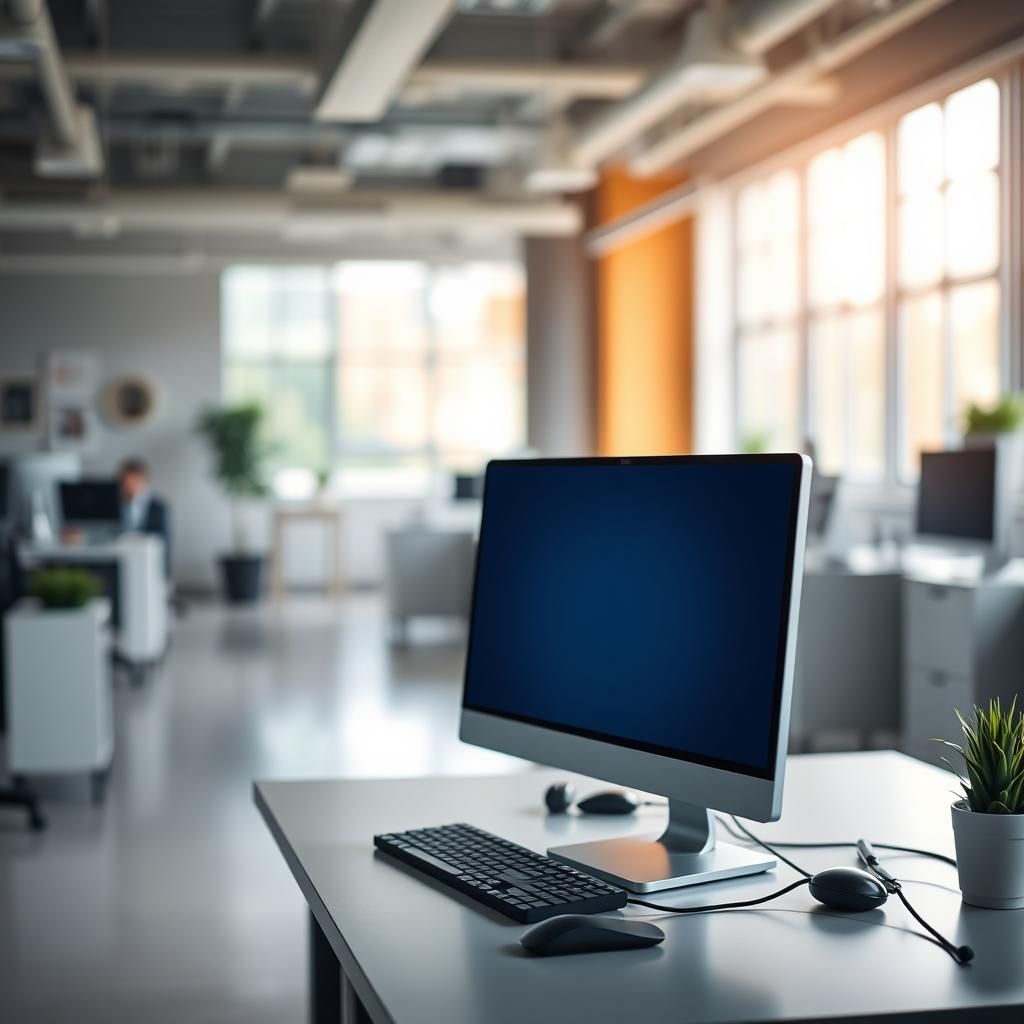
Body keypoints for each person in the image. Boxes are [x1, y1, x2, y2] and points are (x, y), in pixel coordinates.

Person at [118, 458, 172, 578]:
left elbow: (163, 544)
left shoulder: (158, 507)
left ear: (139, 478)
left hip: (149, 566)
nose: (121, 484)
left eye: (124, 480)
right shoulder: (117, 505)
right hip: (123, 566)